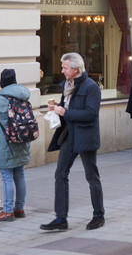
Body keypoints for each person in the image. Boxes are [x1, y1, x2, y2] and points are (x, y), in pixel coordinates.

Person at [41, 53, 105, 232]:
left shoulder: (91, 87)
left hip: (85, 135)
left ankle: (99, 215)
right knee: (60, 174)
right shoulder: (67, 86)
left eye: (65, 68)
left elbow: (91, 114)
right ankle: (61, 218)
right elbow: (66, 109)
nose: (62, 71)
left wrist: (64, 112)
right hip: (69, 134)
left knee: (91, 176)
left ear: (75, 69)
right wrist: (56, 110)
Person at [0, 69, 31, 222]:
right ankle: (19, 208)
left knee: (6, 176)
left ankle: (7, 211)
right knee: (20, 173)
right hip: (21, 141)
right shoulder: (23, 95)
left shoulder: (0, 98)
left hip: (6, 144)